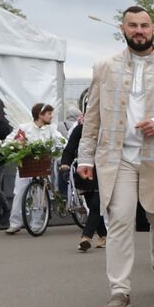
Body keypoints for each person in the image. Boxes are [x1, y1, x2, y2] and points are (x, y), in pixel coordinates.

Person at [76, 7, 154, 307]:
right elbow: (92, 118)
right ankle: (120, 290)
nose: (139, 30)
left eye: (144, 25)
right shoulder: (104, 67)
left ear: (153, 29)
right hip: (117, 158)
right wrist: (84, 157)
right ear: (123, 28)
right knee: (118, 220)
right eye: (133, 25)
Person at [5, 103, 62, 234]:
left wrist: (60, 150)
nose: (51, 116)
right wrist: (12, 146)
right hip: (25, 166)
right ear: (40, 115)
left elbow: (60, 140)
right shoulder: (24, 128)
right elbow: (10, 140)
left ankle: (37, 223)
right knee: (19, 193)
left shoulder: (51, 129)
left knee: (38, 196)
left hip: (41, 165)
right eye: (49, 113)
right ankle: (15, 222)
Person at [60, 100, 106, 252]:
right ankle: (103, 235)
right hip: (84, 171)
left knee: (95, 205)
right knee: (93, 205)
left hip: (103, 171)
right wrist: (65, 166)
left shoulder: (107, 130)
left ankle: (86, 237)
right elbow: (69, 149)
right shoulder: (79, 130)